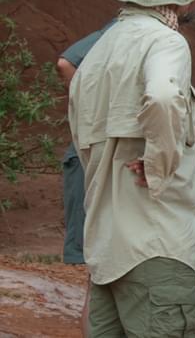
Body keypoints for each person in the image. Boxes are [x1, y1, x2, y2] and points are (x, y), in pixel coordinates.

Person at [68, 0, 195, 337]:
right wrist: (159, 165)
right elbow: (167, 95)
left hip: (106, 247)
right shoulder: (165, 42)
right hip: (156, 244)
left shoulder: (100, 49)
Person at [55, 18, 115, 336]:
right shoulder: (119, 30)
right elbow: (66, 62)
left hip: (98, 159)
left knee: (104, 275)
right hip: (93, 160)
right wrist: (91, 119)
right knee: (101, 273)